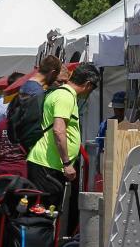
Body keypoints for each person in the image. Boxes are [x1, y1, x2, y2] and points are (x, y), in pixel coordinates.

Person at [26, 63, 100, 212]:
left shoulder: (60, 93)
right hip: (48, 164)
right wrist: (67, 163)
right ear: (87, 84)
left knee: (44, 213)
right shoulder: (65, 96)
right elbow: (59, 130)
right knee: (44, 215)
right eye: (93, 88)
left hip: (46, 164)